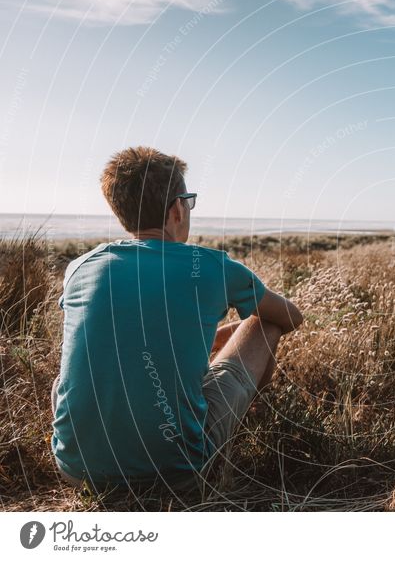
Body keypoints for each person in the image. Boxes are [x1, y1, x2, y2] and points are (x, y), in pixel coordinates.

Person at [50, 146, 303, 493]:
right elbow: (290, 317)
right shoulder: (212, 266)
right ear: (177, 209)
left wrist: (210, 336)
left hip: (76, 470)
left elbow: (131, 331)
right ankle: (234, 430)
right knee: (266, 323)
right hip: (176, 473)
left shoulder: (80, 267)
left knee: (77, 371)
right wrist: (245, 323)